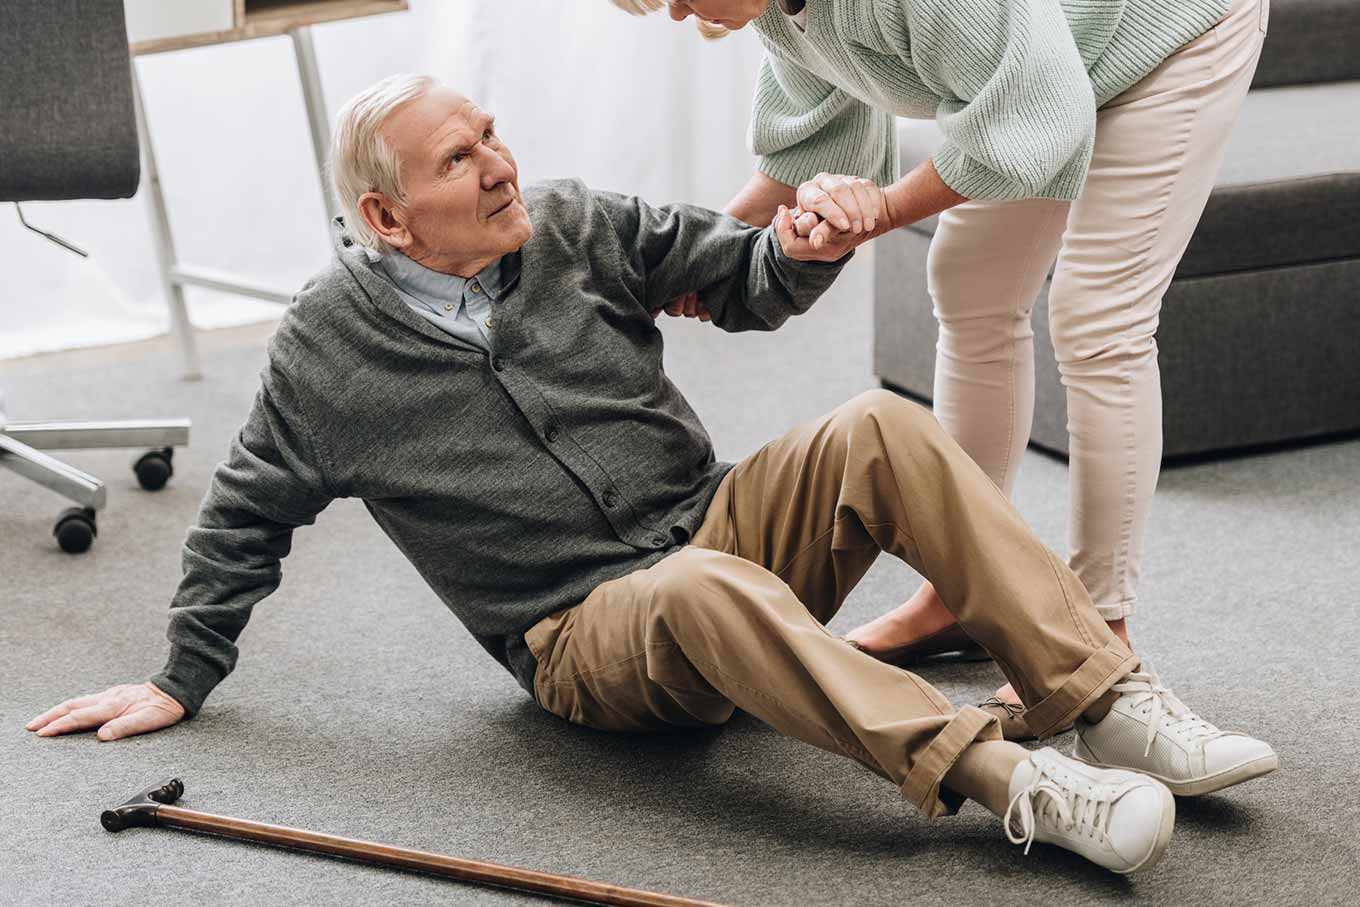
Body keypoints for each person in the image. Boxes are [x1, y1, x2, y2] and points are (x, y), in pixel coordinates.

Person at [27, 75, 1275, 875]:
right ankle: (1016, 781)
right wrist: (179, 675)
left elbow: (738, 278)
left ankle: (1098, 698)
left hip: (715, 527)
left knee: (875, 427)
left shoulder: (567, 221)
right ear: (388, 219)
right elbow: (244, 513)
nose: (500, 163)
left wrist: (802, 242)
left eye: (492, 133)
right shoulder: (324, 352)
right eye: (459, 159)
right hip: (583, 637)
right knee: (697, 589)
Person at [617, 0, 1270, 737]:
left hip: (1171, 32)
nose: (675, 13)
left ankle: (1097, 634)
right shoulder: (774, 9)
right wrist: (687, 263)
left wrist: (877, 212)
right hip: (1046, 61)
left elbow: (1032, 120)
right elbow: (813, 152)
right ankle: (959, 591)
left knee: (1097, 317)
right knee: (970, 283)